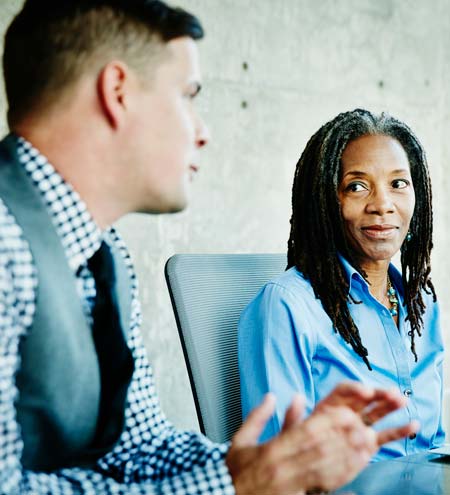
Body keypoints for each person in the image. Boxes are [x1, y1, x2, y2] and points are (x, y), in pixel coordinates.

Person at [0, 1, 418, 493]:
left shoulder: (104, 254)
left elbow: (139, 447)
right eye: (188, 96)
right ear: (117, 93)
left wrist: (272, 463)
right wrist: (236, 485)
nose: (203, 131)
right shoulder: (7, 241)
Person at [239, 108, 444, 462]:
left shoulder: (422, 304)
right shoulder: (287, 305)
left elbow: (438, 445)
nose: (382, 205)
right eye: (357, 186)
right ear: (325, 202)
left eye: (398, 184)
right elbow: (281, 468)